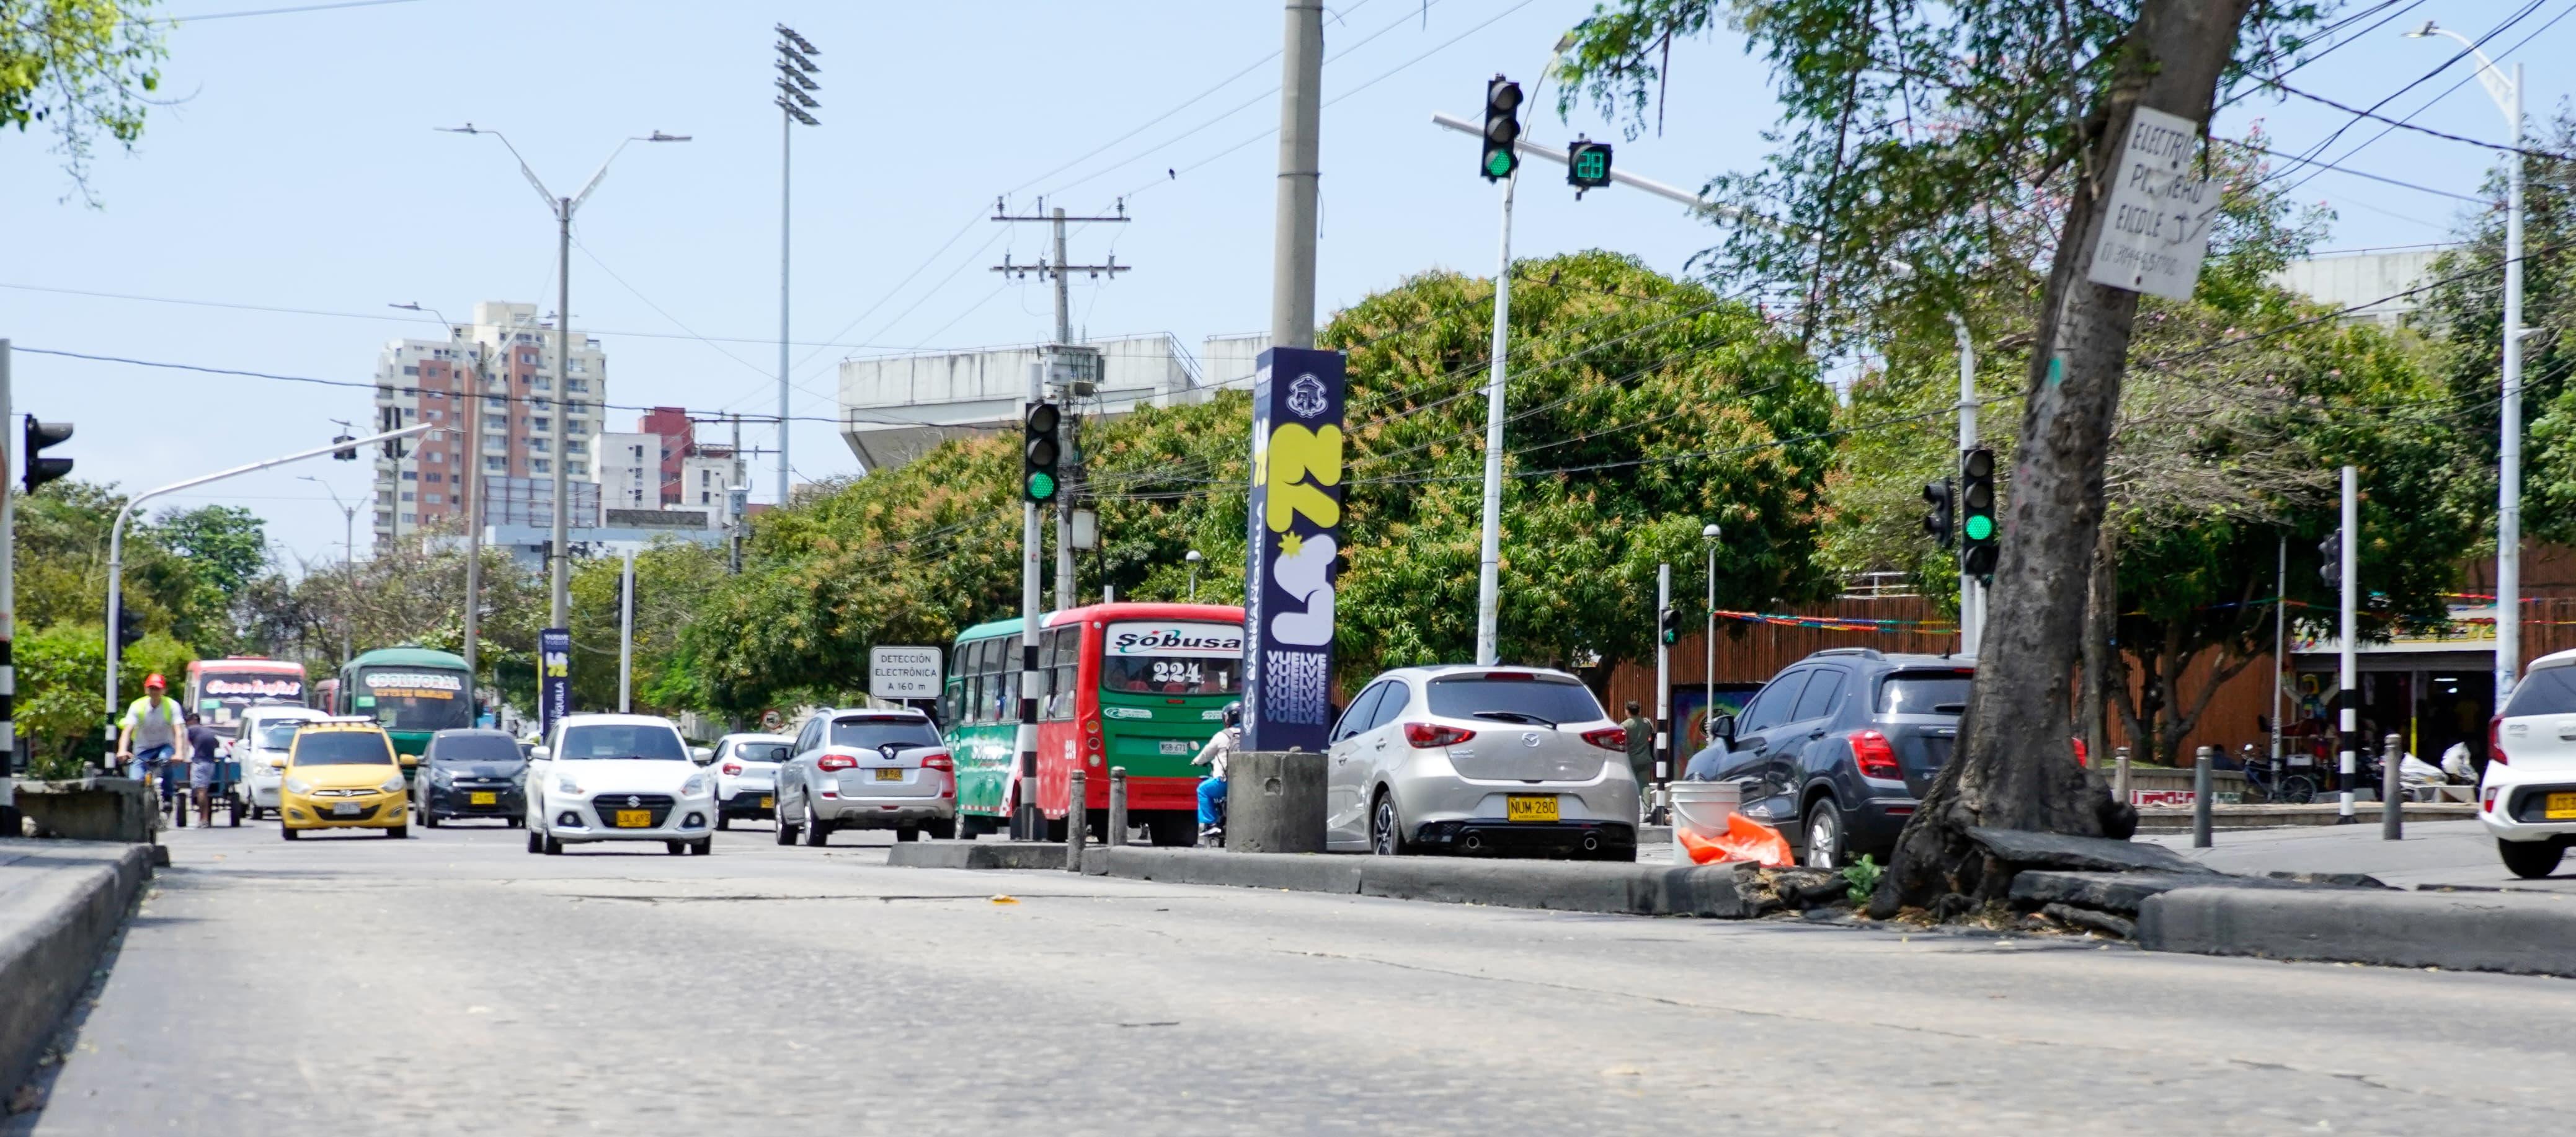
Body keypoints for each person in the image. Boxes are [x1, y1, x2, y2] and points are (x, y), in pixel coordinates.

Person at [115, 674, 187, 807]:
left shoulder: (171, 706)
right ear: (146, 690)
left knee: (165, 761)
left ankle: (167, 797)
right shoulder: (137, 706)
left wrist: (179, 753)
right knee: (135, 780)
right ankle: (138, 808)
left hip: (164, 745)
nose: (155, 692)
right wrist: (122, 751)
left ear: (164, 690)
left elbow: (178, 731)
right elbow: (127, 730)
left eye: (158, 689)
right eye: (152, 688)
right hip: (143, 749)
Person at [1191, 701, 1243, 846]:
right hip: (1248, 781)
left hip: (1224, 782)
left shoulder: (1222, 736)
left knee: (1203, 789)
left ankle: (1211, 824)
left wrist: (1196, 762)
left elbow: (1206, 754)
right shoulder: (1252, 733)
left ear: (1228, 719)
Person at [182, 712, 224, 828]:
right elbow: (217, 744)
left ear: (190, 722)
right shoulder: (207, 731)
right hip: (211, 763)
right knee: (203, 790)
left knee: (201, 791)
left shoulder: (190, 730)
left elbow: (183, 746)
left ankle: (204, 819)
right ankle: (205, 817)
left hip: (200, 763)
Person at [1619, 701, 1657, 810]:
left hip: (1630, 761)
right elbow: (1651, 738)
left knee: (1629, 785)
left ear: (1627, 711)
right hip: (1645, 759)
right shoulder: (1646, 724)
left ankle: (1630, 809)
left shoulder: (1624, 726)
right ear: (1639, 711)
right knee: (1645, 785)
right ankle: (1647, 809)